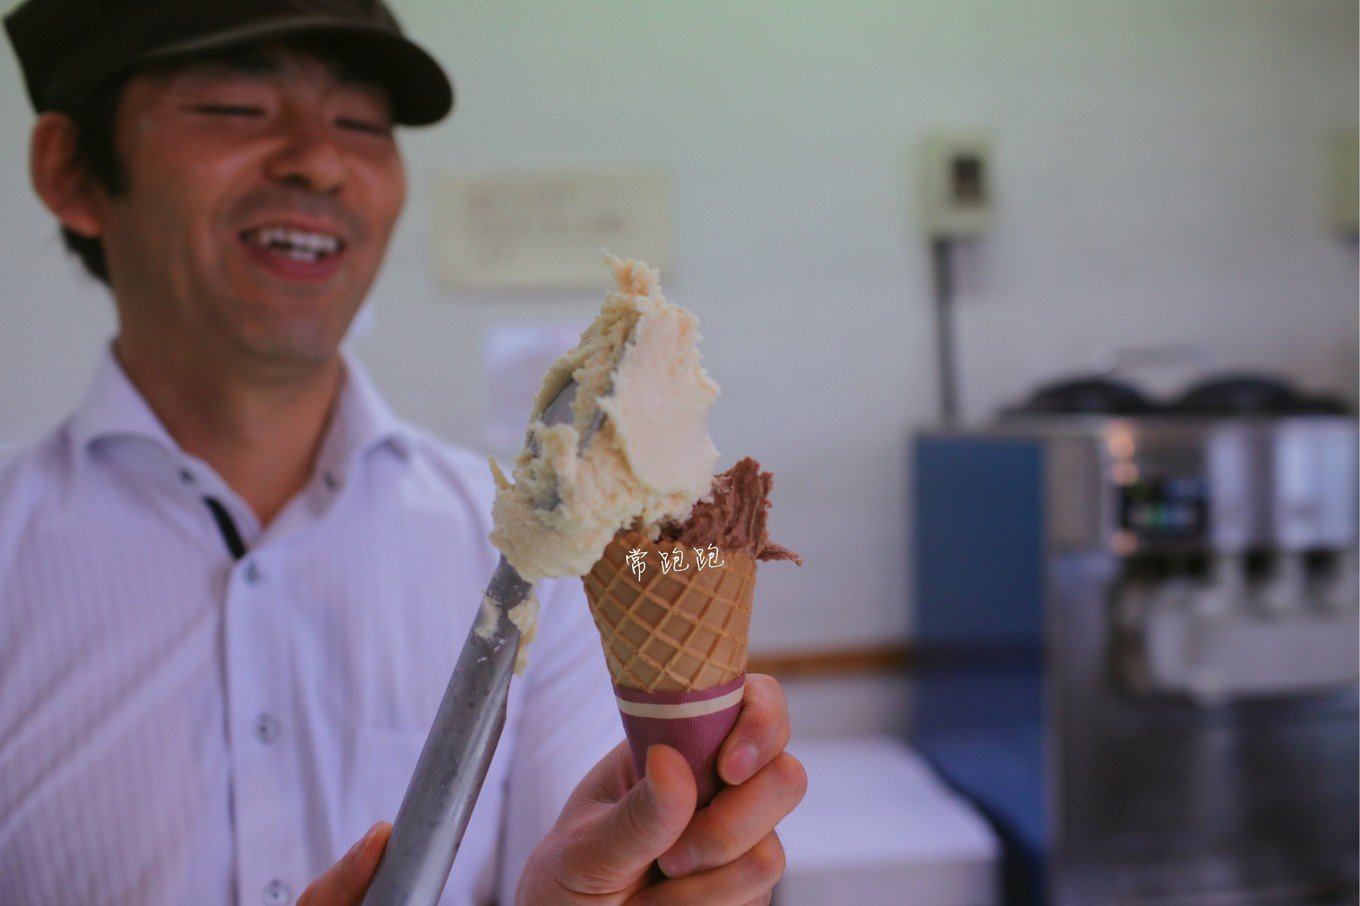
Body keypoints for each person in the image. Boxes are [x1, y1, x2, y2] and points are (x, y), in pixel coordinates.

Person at [0, 1, 806, 903]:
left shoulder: (545, 559)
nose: (320, 161)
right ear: (70, 169)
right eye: (235, 106)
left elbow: (605, 865)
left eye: (360, 123)